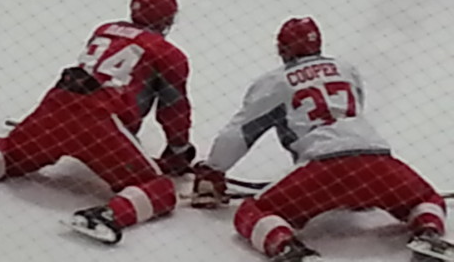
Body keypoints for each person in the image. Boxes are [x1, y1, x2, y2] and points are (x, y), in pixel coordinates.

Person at [0, 0, 193, 247]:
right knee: (158, 188)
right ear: (166, 20)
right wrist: (178, 150)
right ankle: (109, 215)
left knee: (9, 149)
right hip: (101, 123)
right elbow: (173, 109)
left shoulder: (105, 30)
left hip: (56, 103)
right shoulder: (169, 54)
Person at [190, 17, 448, 262]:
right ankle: (428, 234)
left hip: (323, 168)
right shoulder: (347, 69)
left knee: (253, 212)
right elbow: (353, 109)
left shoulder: (274, 82)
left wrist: (214, 170)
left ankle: (286, 248)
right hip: (377, 160)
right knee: (427, 199)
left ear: (282, 48)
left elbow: (241, 131)